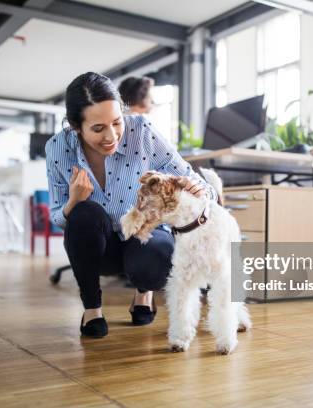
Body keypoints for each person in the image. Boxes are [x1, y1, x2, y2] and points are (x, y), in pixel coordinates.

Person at [45, 72, 218, 338]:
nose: (112, 135)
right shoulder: (58, 149)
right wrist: (73, 201)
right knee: (84, 214)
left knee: (157, 257)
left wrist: (200, 190)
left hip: (142, 233)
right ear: (76, 127)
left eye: (116, 122)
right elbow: (58, 216)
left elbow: (188, 175)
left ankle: (143, 294)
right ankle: (92, 309)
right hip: (99, 246)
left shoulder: (141, 130)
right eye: (98, 128)